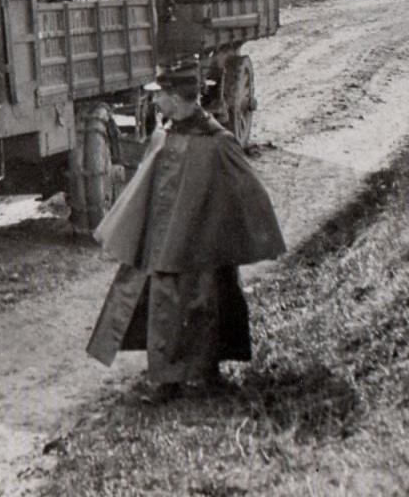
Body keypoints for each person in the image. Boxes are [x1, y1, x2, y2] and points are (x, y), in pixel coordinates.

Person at [85, 75, 286, 402]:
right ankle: (168, 381)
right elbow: (144, 187)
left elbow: (248, 189)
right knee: (163, 306)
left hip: (202, 247)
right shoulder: (162, 136)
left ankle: (207, 376)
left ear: (177, 99)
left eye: (159, 96)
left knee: (206, 303)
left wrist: (257, 236)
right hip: (162, 243)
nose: (154, 102)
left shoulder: (218, 142)